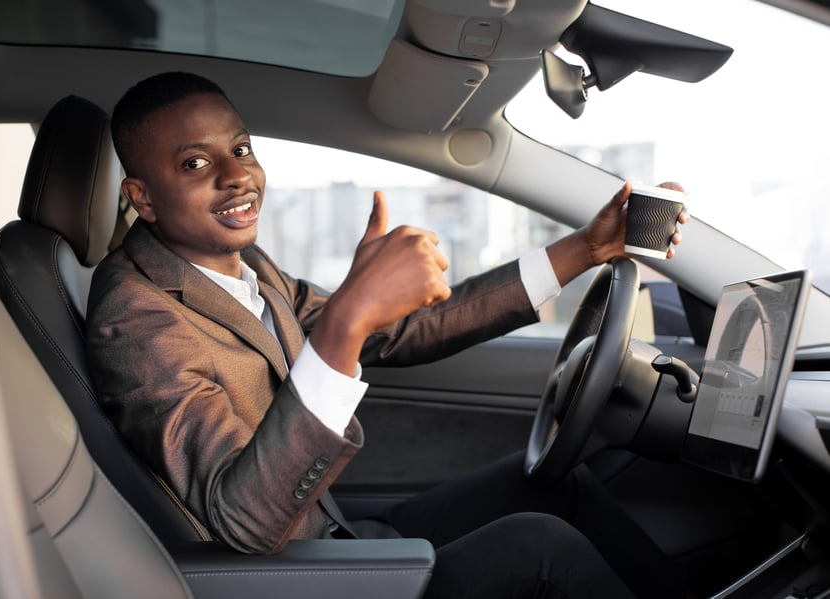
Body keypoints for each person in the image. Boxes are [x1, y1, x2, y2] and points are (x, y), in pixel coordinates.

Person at [86, 71, 688, 598]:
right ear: (141, 196)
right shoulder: (136, 317)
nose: (236, 176)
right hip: (292, 581)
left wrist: (586, 249)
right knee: (539, 546)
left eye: (241, 149)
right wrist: (347, 320)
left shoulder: (240, 268)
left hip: (334, 539)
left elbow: (401, 331)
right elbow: (241, 520)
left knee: (560, 486)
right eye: (195, 163)